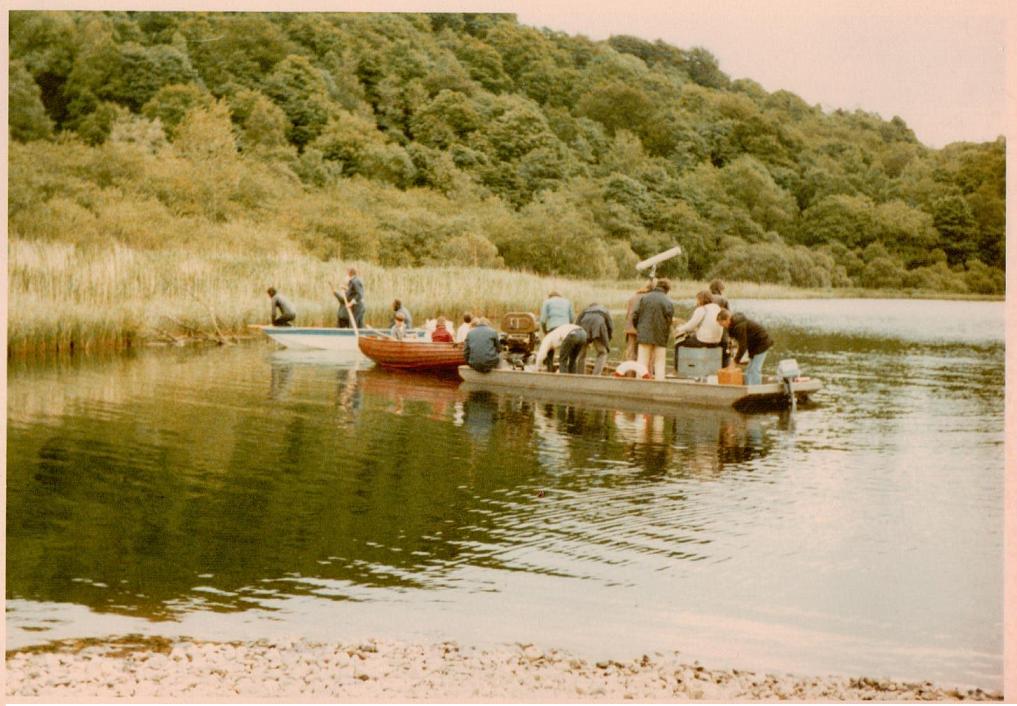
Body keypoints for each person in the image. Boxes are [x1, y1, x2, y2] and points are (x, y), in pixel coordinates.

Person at [631, 278, 674, 380]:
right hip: (660, 336)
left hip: (644, 334)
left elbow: (635, 316)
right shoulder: (668, 301)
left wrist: (639, 329)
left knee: (642, 361)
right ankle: (659, 383)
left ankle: (639, 383)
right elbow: (669, 320)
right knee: (659, 362)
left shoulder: (644, 298)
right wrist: (665, 331)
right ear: (667, 289)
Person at [717, 309, 773, 385]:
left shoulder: (739, 326)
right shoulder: (731, 326)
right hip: (753, 346)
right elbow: (734, 344)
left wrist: (735, 361)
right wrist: (733, 357)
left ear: (727, 319)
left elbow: (743, 346)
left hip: (762, 343)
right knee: (748, 370)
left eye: (721, 323)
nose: (721, 325)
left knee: (755, 369)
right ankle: (747, 388)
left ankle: (755, 389)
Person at [674, 290, 726, 369]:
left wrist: (679, 328)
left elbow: (690, 326)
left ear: (701, 299)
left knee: (679, 342)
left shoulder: (702, 309)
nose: (697, 301)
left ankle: (679, 368)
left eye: (697, 299)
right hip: (716, 341)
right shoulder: (717, 308)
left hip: (704, 341)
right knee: (692, 337)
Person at [576, 302, 613, 375]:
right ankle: (596, 375)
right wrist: (608, 339)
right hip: (598, 329)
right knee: (602, 352)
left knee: (581, 354)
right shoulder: (604, 310)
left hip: (583, 329)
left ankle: (580, 375)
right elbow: (610, 326)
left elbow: (577, 323)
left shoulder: (585, 310)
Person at [623, 283, 653, 361]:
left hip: (630, 328)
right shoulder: (648, 298)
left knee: (631, 352)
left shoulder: (633, 296)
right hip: (642, 329)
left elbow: (628, 314)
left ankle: (630, 368)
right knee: (643, 353)